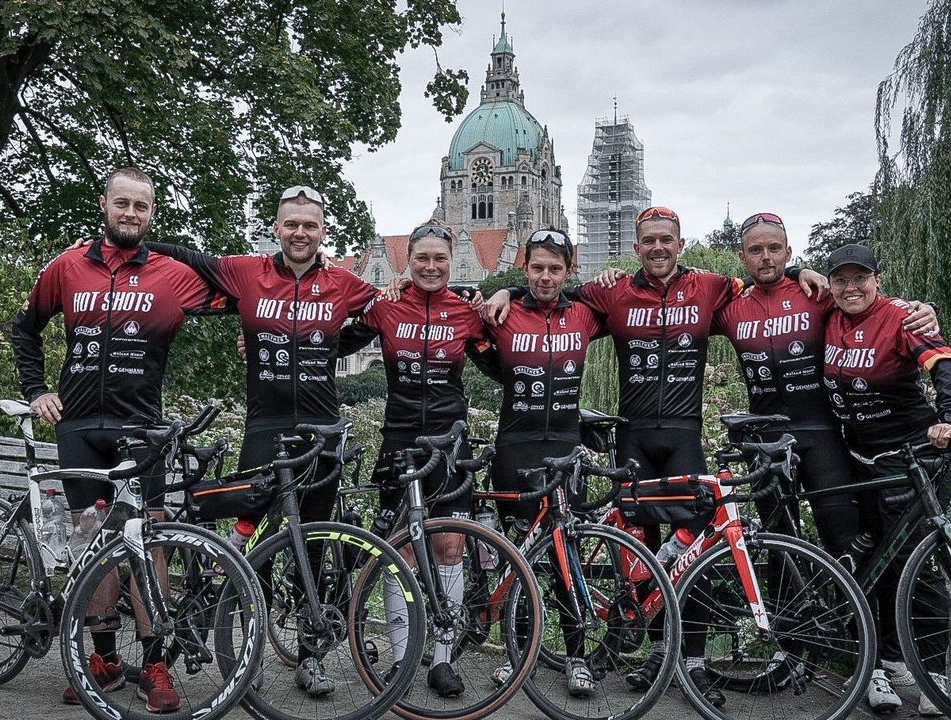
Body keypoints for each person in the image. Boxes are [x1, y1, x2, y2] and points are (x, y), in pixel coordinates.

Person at [483, 206, 813, 704]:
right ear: (637, 247)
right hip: (633, 440)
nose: (658, 248)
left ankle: (690, 662)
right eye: (649, 240)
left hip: (683, 439)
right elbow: (554, 297)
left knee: (696, 553)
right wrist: (506, 290)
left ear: (679, 243)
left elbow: (763, 280)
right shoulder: (611, 291)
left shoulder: (709, 286)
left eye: (667, 239)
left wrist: (800, 271)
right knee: (638, 560)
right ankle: (651, 652)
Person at [144, 185, 377, 696]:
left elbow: (389, 312)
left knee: (314, 544)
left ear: (322, 232)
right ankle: (247, 650)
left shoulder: (343, 283)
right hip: (264, 431)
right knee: (256, 549)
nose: (300, 233)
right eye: (291, 224)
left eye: (310, 225)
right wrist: (128, 247)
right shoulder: (247, 272)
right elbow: (191, 258)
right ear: (276, 228)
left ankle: (311, 656)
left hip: (322, 433)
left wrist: (490, 295)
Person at [12, 166, 229, 712]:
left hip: (141, 429)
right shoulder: (66, 267)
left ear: (151, 213)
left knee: (147, 541)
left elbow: (246, 288)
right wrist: (36, 389)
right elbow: (25, 325)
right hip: (79, 426)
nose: (131, 213)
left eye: (142, 206)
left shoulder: (173, 273)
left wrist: (309, 264)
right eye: (122, 203)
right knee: (94, 545)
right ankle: (103, 660)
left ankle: (154, 664)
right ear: (105, 204)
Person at [710, 212, 936, 560]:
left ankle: (853, 616)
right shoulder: (730, 307)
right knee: (778, 547)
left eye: (774, 248)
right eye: (756, 250)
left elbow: (869, 301)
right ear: (742, 257)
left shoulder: (818, 293)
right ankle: (787, 616)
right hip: (765, 441)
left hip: (821, 435)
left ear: (788, 251)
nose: (766, 257)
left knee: (843, 540)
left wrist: (922, 309)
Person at [334, 220, 490, 697]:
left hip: (450, 440)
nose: (431, 265)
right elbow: (332, 342)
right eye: (422, 257)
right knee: (398, 550)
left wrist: (509, 298)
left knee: (449, 548)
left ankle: (442, 660)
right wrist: (259, 345)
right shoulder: (385, 309)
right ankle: (403, 659)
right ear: (408, 262)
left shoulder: (467, 313)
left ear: (449, 262)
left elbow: (506, 364)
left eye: (439, 258)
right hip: (398, 436)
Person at [823, 243, 951, 716]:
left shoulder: (902, 319)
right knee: (873, 562)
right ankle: (883, 662)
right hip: (860, 461)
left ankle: (933, 674)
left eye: (859, 278)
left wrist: (950, 417)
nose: (850, 288)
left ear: (877, 280)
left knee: (918, 565)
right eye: (840, 280)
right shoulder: (829, 315)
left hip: (915, 459)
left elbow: (945, 366)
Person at [470, 228, 606, 698]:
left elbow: (630, 297)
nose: (546, 277)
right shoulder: (502, 314)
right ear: (524, 268)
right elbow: (465, 332)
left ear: (568, 271)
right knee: (521, 560)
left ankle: (575, 657)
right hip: (516, 448)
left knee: (567, 559)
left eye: (555, 268)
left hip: (566, 451)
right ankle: (518, 655)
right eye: (537, 268)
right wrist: (501, 291)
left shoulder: (586, 313)